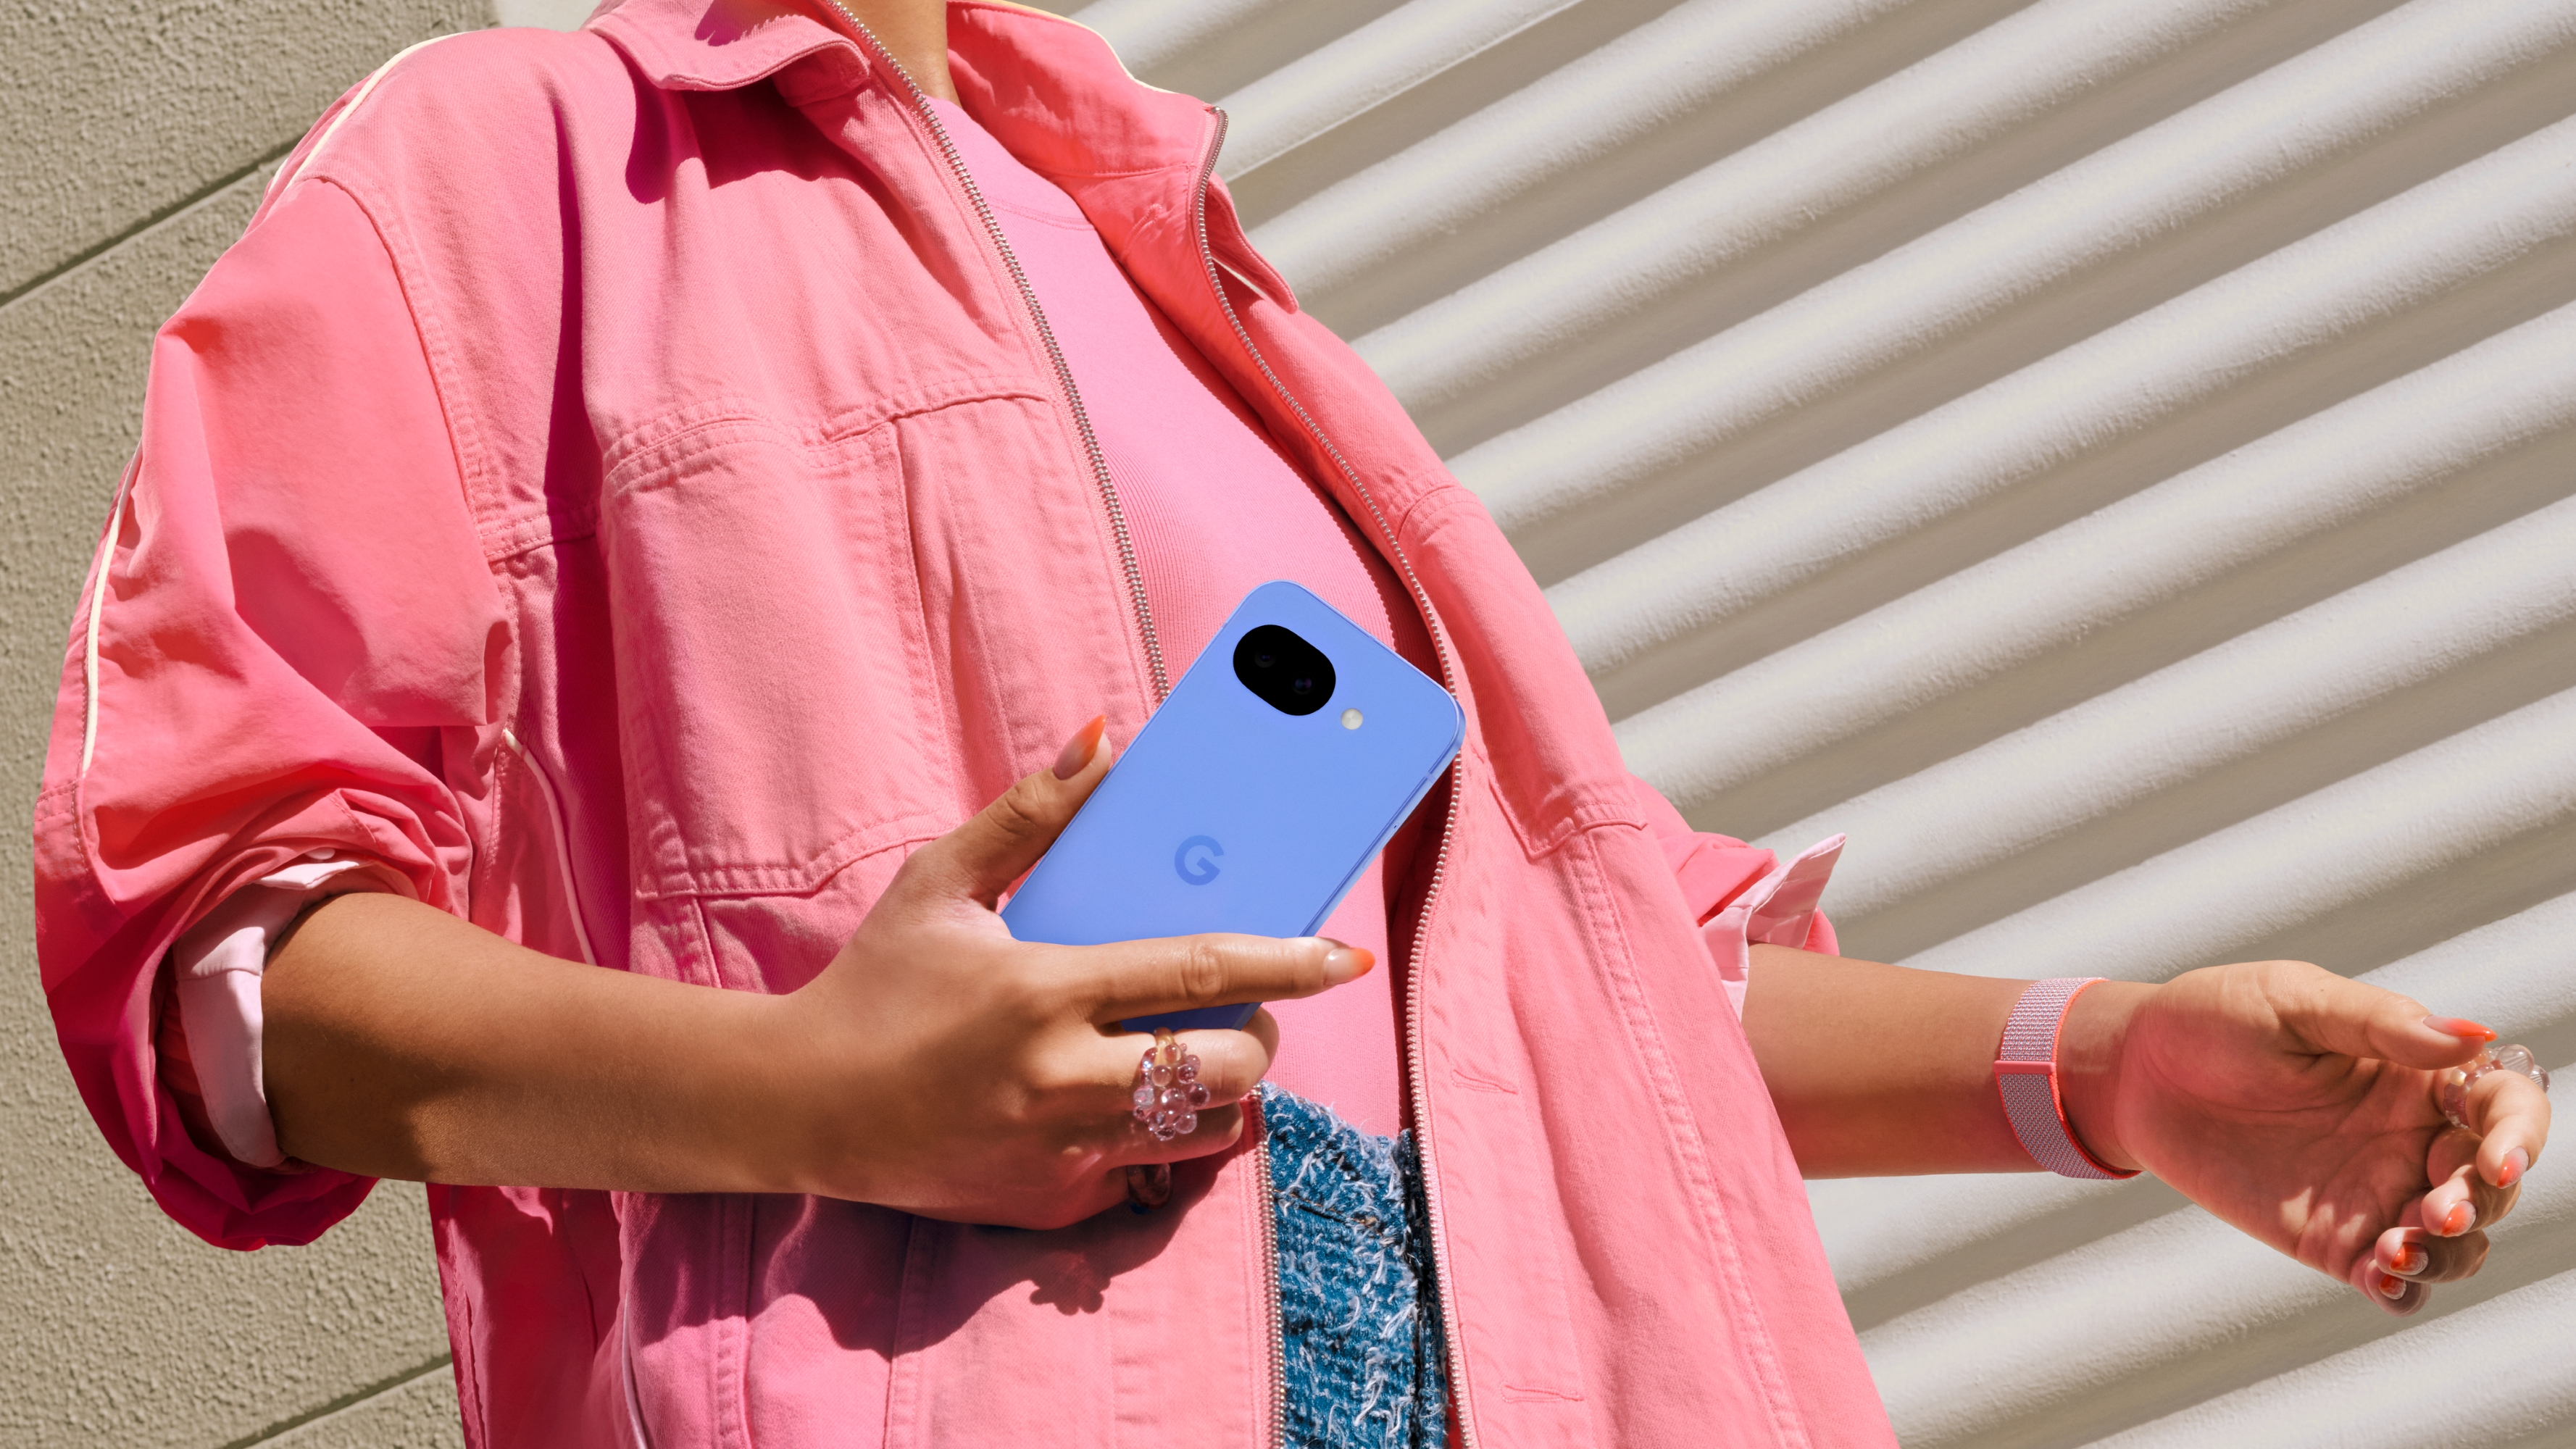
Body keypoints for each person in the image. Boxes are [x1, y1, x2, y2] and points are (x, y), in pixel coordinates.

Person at [33, 0, 2551, 1445]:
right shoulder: (501, 164)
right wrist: (826, 1088)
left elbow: (1562, 998)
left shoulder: (1192, 276)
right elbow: (227, 971)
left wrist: (2101, 1068)